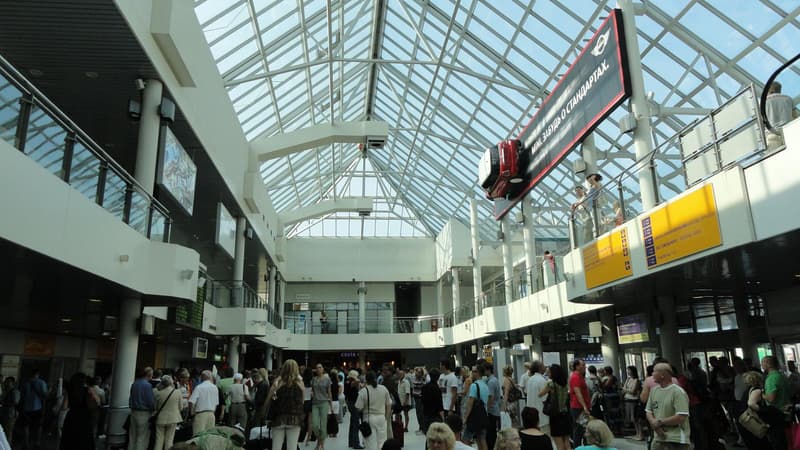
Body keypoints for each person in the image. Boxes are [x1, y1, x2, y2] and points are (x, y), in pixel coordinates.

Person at [645, 363, 690, 450]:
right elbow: (648, 411)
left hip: (676, 440)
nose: (652, 374)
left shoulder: (678, 392)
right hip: (658, 438)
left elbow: (681, 417)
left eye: (654, 371)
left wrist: (659, 422)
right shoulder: (654, 391)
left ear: (662, 375)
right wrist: (655, 425)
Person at [267, 359, 306, 450]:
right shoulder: (300, 383)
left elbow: (270, 399)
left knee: (276, 447)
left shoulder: (277, 382)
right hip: (295, 419)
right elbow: (302, 401)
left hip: (278, 418)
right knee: (292, 447)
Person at [59, 372, 98, 450]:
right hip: (84, 418)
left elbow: (64, 407)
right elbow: (98, 401)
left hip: (71, 417)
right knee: (84, 440)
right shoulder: (87, 390)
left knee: (70, 441)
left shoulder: (69, 390)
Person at [355, 370, 392, 450]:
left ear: (366, 380)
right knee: (382, 442)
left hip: (369, 419)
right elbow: (389, 404)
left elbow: (358, 408)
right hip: (382, 418)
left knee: (371, 443)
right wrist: (386, 417)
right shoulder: (383, 389)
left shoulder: (363, 391)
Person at [761, 355, 790, 450]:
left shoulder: (771, 378)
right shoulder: (781, 375)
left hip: (777, 413)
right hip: (786, 412)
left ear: (768, 364)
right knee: (786, 440)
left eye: (763, 362)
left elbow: (771, 398)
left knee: (778, 442)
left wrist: (761, 394)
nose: (761, 365)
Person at [539, 364, 571, 450]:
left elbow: (540, 394)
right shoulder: (565, 383)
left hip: (555, 416)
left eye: (549, 372)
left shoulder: (551, 384)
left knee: (559, 444)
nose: (548, 374)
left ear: (554, 373)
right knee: (567, 443)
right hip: (566, 415)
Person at [739, 371, 770, 449]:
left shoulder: (747, 391)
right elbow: (751, 404)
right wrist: (762, 410)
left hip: (746, 422)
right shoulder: (756, 390)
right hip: (753, 422)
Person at [765, 81, 799, 150]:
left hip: (772, 135)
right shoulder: (788, 99)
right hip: (788, 132)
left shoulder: (764, 102)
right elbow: (795, 116)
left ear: (771, 90)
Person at [128, 367, 155, 450]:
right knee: (142, 437)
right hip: (144, 413)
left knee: (132, 436)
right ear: (149, 375)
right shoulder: (148, 385)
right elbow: (150, 401)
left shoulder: (134, 383)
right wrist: (153, 410)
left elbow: (130, 398)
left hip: (133, 412)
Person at [20, 369, 48, 450]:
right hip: (37, 408)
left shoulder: (25, 383)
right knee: (38, 426)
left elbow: (22, 396)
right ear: (38, 374)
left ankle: (26, 444)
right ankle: (37, 443)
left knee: (26, 426)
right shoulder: (41, 382)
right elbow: (45, 395)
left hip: (26, 408)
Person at [463, 364, 490, 450]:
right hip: (483, 415)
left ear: (478, 373)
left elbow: (470, 403)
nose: (472, 373)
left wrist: (465, 418)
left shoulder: (474, 386)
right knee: (482, 439)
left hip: (474, 417)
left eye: (474, 371)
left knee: (465, 440)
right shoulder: (485, 385)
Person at [153, 375, 182, 450]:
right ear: (171, 382)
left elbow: (155, 407)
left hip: (160, 418)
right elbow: (181, 407)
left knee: (158, 440)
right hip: (173, 418)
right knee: (169, 440)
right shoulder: (178, 392)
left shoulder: (158, 393)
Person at [189, 370, 220, 435]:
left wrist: (192, 412)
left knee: (198, 435)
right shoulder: (215, 388)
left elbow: (191, 401)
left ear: (202, 377)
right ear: (210, 377)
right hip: (211, 414)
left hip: (200, 414)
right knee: (209, 436)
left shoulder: (199, 387)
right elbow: (216, 403)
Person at [569, 359, 591, 447]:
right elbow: (578, 393)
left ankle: (586, 446)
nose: (584, 367)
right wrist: (584, 407)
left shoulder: (579, 376)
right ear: (577, 366)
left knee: (584, 428)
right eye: (582, 365)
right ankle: (577, 447)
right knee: (579, 429)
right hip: (578, 407)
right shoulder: (575, 377)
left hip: (581, 406)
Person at [311, 363, 333, 450]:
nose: (318, 369)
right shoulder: (313, 379)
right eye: (317, 368)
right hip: (315, 403)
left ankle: (321, 444)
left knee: (323, 425)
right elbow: (312, 390)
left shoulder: (327, 379)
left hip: (324, 402)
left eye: (320, 367)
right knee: (315, 425)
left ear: (323, 369)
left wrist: (331, 405)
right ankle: (319, 440)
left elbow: (329, 392)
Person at [525, 361, 549, 435]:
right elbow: (545, 399)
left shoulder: (530, 380)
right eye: (543, 365)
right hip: (542, 416)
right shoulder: (542, 381)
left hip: (531, 414)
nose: (545, 367)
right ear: (540, 368)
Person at [621, 366, 642, 440]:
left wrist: (626, 389)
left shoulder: (636, 380)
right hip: (627, 399)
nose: (628, 372)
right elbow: (623, 389)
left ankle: (640, 434)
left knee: (635, 418)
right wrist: (627, 389)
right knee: (631, 418)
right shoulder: (628, 379)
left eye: (629, 370)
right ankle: (637, 433)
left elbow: (633, 391)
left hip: (634, 400)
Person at [345, 370, 364, 449]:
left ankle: (351, 442)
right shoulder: (350, 383)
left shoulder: (348, 383)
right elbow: (358, 381)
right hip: (353, 404)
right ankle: (356, 443)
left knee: (352, 422)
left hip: (351, 403)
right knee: (356, 423)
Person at [484, 362, 501, 450]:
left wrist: (486, 410)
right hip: (495, 409)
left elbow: (490, 397)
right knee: (492, 432)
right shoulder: (495, 379)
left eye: (485, 370)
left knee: (490, 433)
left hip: (491, 411)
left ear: (488, 370)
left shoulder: (490, 382)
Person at [422, 369, 444, 433]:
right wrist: (443, 418)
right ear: (438, 377)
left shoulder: (424, 387)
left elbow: (422, 401)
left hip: (426, 414)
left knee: (428, 436)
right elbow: (440, 406)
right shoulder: (437, 389)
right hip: (435, 417)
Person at [0, 377, 20, 445]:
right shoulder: (6, 391)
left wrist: (5, 403)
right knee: (5, 431)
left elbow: (16, 402)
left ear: (12, 383)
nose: (6, 383)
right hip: (5, 413)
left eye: (8, 382)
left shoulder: (15, 391)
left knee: (8, 432)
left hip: (10, 413)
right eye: (6, 381)